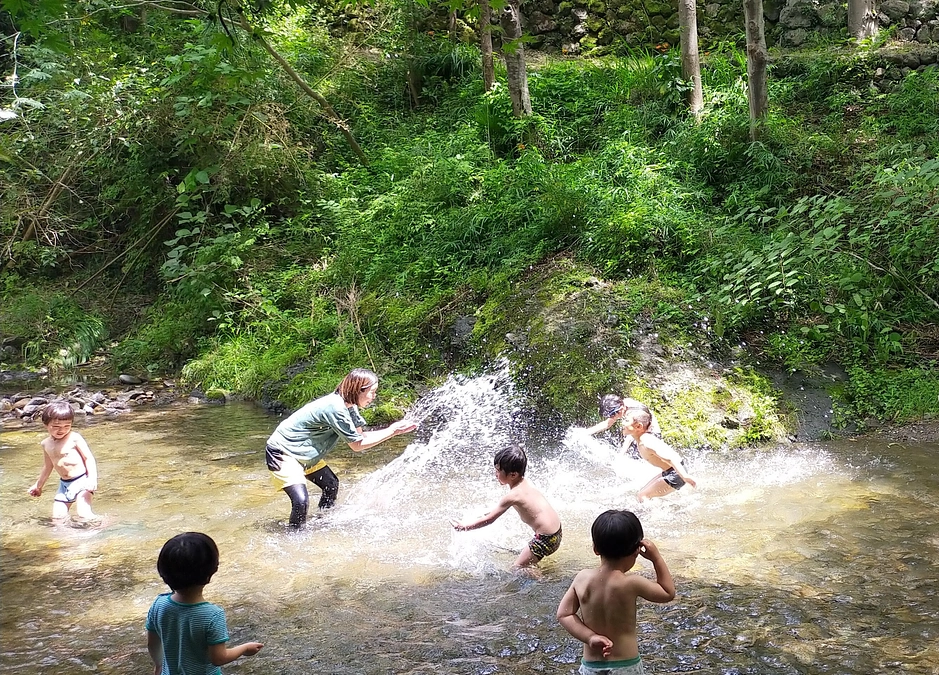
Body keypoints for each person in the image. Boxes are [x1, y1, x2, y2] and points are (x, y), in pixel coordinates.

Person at [265, 368, 418, 527]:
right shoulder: (335, 408)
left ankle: (322, 523)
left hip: (304, 453)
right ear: (359, 390)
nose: (374, 397)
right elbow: (357, 446)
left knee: (330, 485)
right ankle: (294, 540)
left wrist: (393, 430)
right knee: (301, 502)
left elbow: (361, 437)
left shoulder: (350, 406)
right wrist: (392, 431)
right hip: (283, 453)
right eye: (372, 392)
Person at [556, 509, 675, 675]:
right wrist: (657, 559)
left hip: (591, 666)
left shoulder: (582, 578)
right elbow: (668, 592)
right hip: (626, 666)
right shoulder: (631, 582)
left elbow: (564, 615)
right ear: (636, 551)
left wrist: (590, 637)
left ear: (595, 549)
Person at [146, 532, 263, 675]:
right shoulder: (212, 615)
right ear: (212, 571)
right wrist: (245, 648)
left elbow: (152, 645)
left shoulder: (159, 604)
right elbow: (219, 658)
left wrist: (159, 666)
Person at [451, 444, 562, 569]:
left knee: (518, 567)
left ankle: (545, 583)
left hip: (545, 539)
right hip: (556, 532)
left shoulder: (513, 495)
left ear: (513, 475)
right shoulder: (525, 485)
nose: (495, 474)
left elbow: (490, 519)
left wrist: (464, 527)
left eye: (498, 471)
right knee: (524, 563)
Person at [27, 399, 98, 520]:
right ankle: (69, 538)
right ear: (46, 425)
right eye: (56, 426)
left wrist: (92, 479)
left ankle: (105, 526)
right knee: (58, 517)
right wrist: (38, 486)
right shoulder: (45, 444)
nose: (62, 430)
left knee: (84, 514)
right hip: (64, 485)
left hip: (82, 481)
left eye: (67, 426)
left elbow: (88, 458)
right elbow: (48, 467)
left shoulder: (74, 438)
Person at [621, 409, 697, 501]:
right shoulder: (639, 438)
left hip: (676, 473)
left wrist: (684, 476)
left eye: (626, 421)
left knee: (643, 496)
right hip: (671, 471)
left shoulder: (646, 441)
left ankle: (651, 515)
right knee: (641, 493)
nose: (622, 423)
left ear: (638, 426)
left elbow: (670, 459)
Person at [585, 394, 662, 458]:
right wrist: (585, 433)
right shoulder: (624, 403)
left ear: (620, 409)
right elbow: (607, 424)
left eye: (612, 415)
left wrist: (620, 456)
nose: (612, 417)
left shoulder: (633, 414)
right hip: (638, 432)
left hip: (651, 435)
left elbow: (630, 436)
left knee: (639, 459)